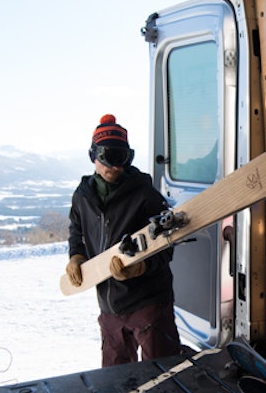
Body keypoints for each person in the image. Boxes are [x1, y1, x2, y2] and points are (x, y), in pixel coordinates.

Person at [66, 114, 183, 367]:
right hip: (109, 306)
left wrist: (141, 267)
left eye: (122, 157)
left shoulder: (145, 194)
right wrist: (76, 256)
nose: (115, 166)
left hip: (149, 304)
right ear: (94, 156)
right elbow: (76, 232)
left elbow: (166, 246)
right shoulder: (82, 196)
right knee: (114, 380)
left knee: (163, 373)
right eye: (109, 156)